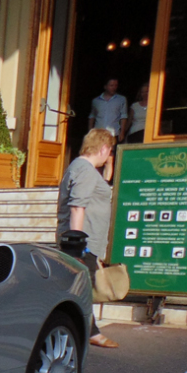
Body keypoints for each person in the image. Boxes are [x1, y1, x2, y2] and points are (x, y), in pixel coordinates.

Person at [57, 128, 119, 349]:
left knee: (80, 290)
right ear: (103, 148)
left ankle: (86, 332)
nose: (107, 156)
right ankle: (87, 333)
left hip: (86, 243)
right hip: (82, 244)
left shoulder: (82, 168)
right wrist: (77, 248)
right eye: (108, 151)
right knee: (81, 291)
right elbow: (77, 207)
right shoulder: (85, 170)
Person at [88, 77, 129, 142]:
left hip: (113, 133)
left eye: (116, 85)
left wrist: (122, 132)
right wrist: (90, 132)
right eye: (111, 85)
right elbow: (92, 116)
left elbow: (123, 116)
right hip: (98, 133)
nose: (114, 88)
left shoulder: (121, 99)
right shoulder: (96, 101)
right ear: (105, 87)